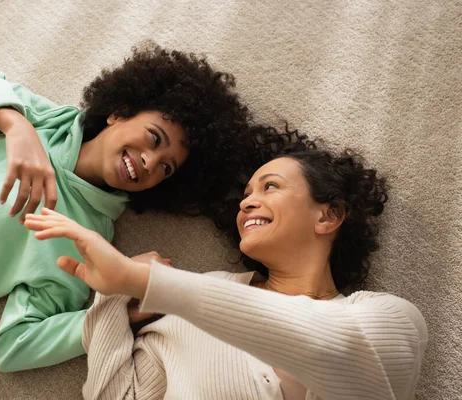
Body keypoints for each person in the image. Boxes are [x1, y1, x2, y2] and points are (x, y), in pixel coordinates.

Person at [0, 44, 255, 372]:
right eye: (154, 138)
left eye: (166, 168)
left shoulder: (83, 240)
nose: (151, 162)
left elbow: (14, 347)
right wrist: (16, 126)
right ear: (119, 110)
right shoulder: (46, 120)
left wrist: (115, 311)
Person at [25, 131, 428, 399]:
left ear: (328, 216)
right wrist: (112, 296)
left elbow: (330, 347)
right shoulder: (188, 309)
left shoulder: (392, 317)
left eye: (270, 187)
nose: (246, 202)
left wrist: (145, 280)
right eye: (246, 193)